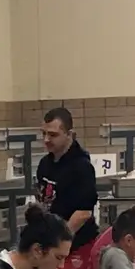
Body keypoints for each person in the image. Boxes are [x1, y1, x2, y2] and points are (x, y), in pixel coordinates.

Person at [34, 106, 99, 248]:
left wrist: (60, 241)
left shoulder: (82, 167)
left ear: (70, 135)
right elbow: (42, 202)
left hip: (77, 243)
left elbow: (83, 213)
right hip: (51, 239)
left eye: (53, 135)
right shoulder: (44, 164)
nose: (46, 139)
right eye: (43, 133)